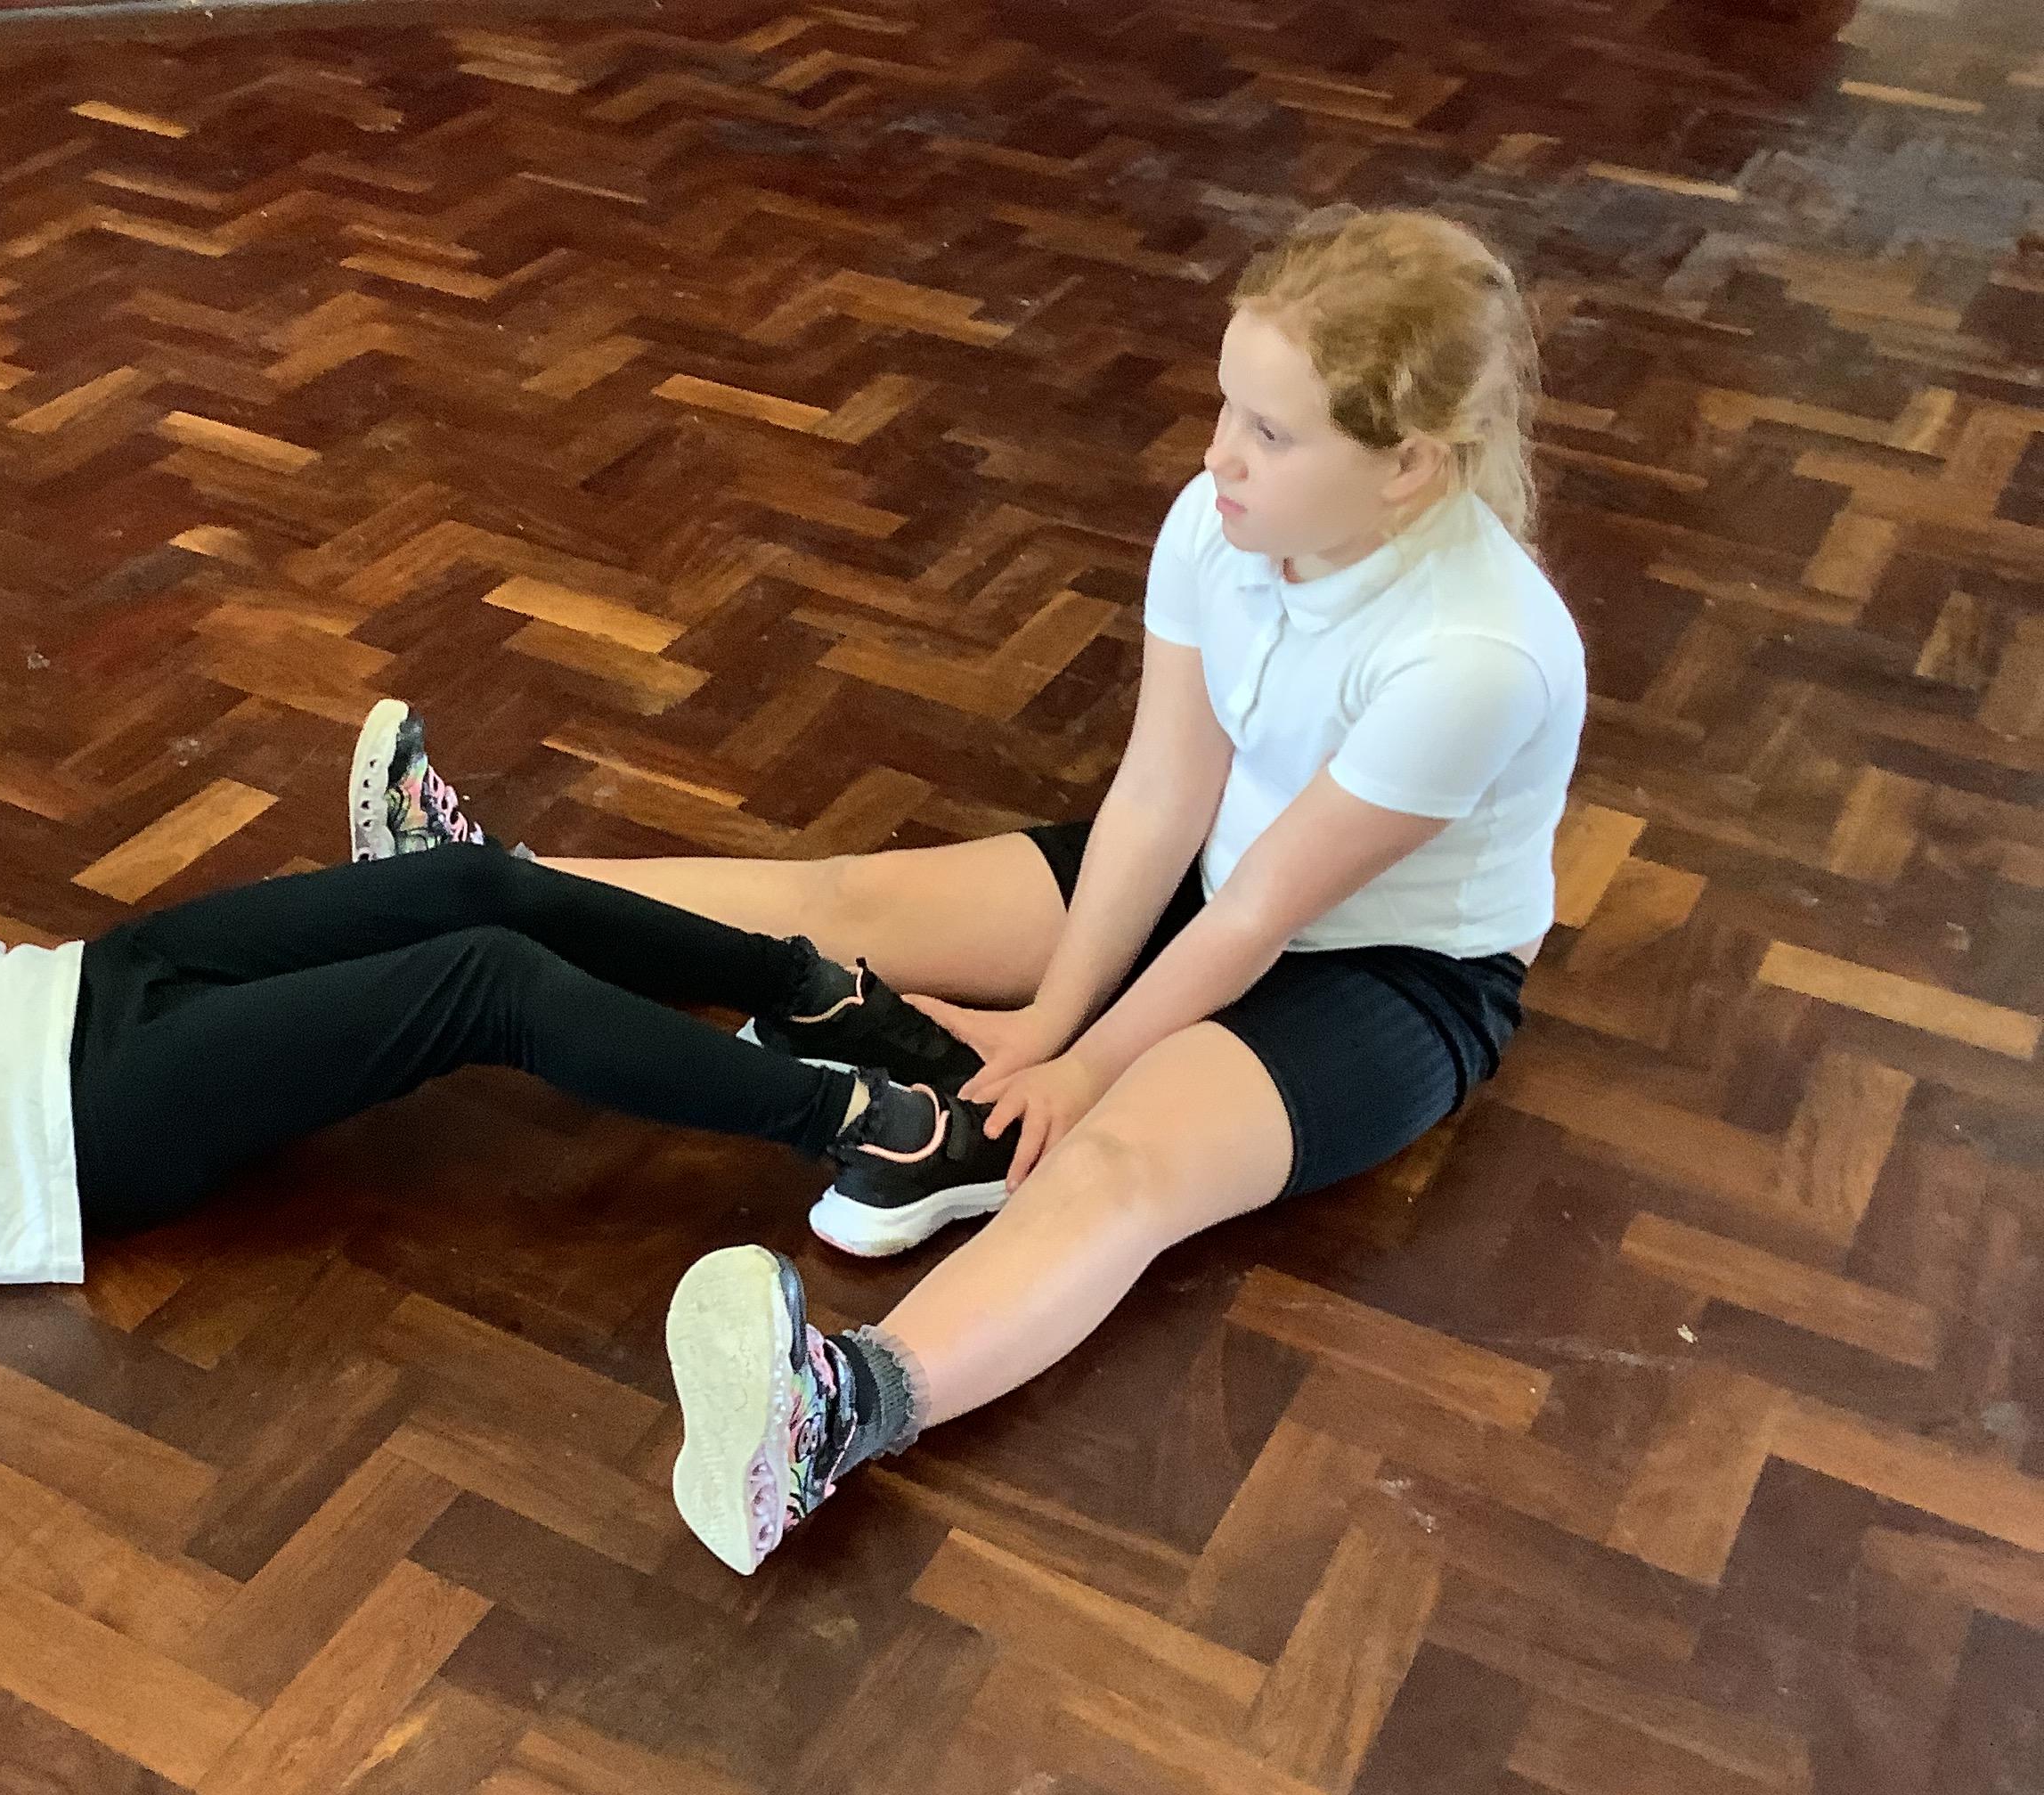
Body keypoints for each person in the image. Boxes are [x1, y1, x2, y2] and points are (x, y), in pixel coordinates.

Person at [354, 208, 1583, 1575]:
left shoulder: (1478, 655)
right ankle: (470, 889)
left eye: (1270, 433)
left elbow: (1261, 919)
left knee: (1121, 1161)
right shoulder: (1222, 522)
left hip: (1391, 975)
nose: (1217, 455)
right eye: (1227, 406)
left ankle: (835, 1417)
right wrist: (1052, 1014)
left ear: (1409, 467)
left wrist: (1079, 1063)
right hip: (1216, 861)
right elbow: (1162, 793)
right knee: (855, 897)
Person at [0, 592, 1030, 1293]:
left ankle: (813, 993)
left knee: (477, 891)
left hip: (75, 996)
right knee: (487, 990)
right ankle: (862, 1134)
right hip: (65, 1139)